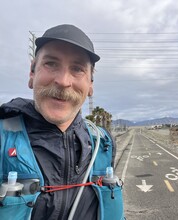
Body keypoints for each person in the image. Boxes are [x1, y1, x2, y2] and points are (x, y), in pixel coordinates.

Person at [0, 24, 122, 220]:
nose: (63, 81)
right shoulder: (2, 138)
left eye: (77, 69)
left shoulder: (103, 144)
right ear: (32, 73)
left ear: (90, 85)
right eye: (51, 63)